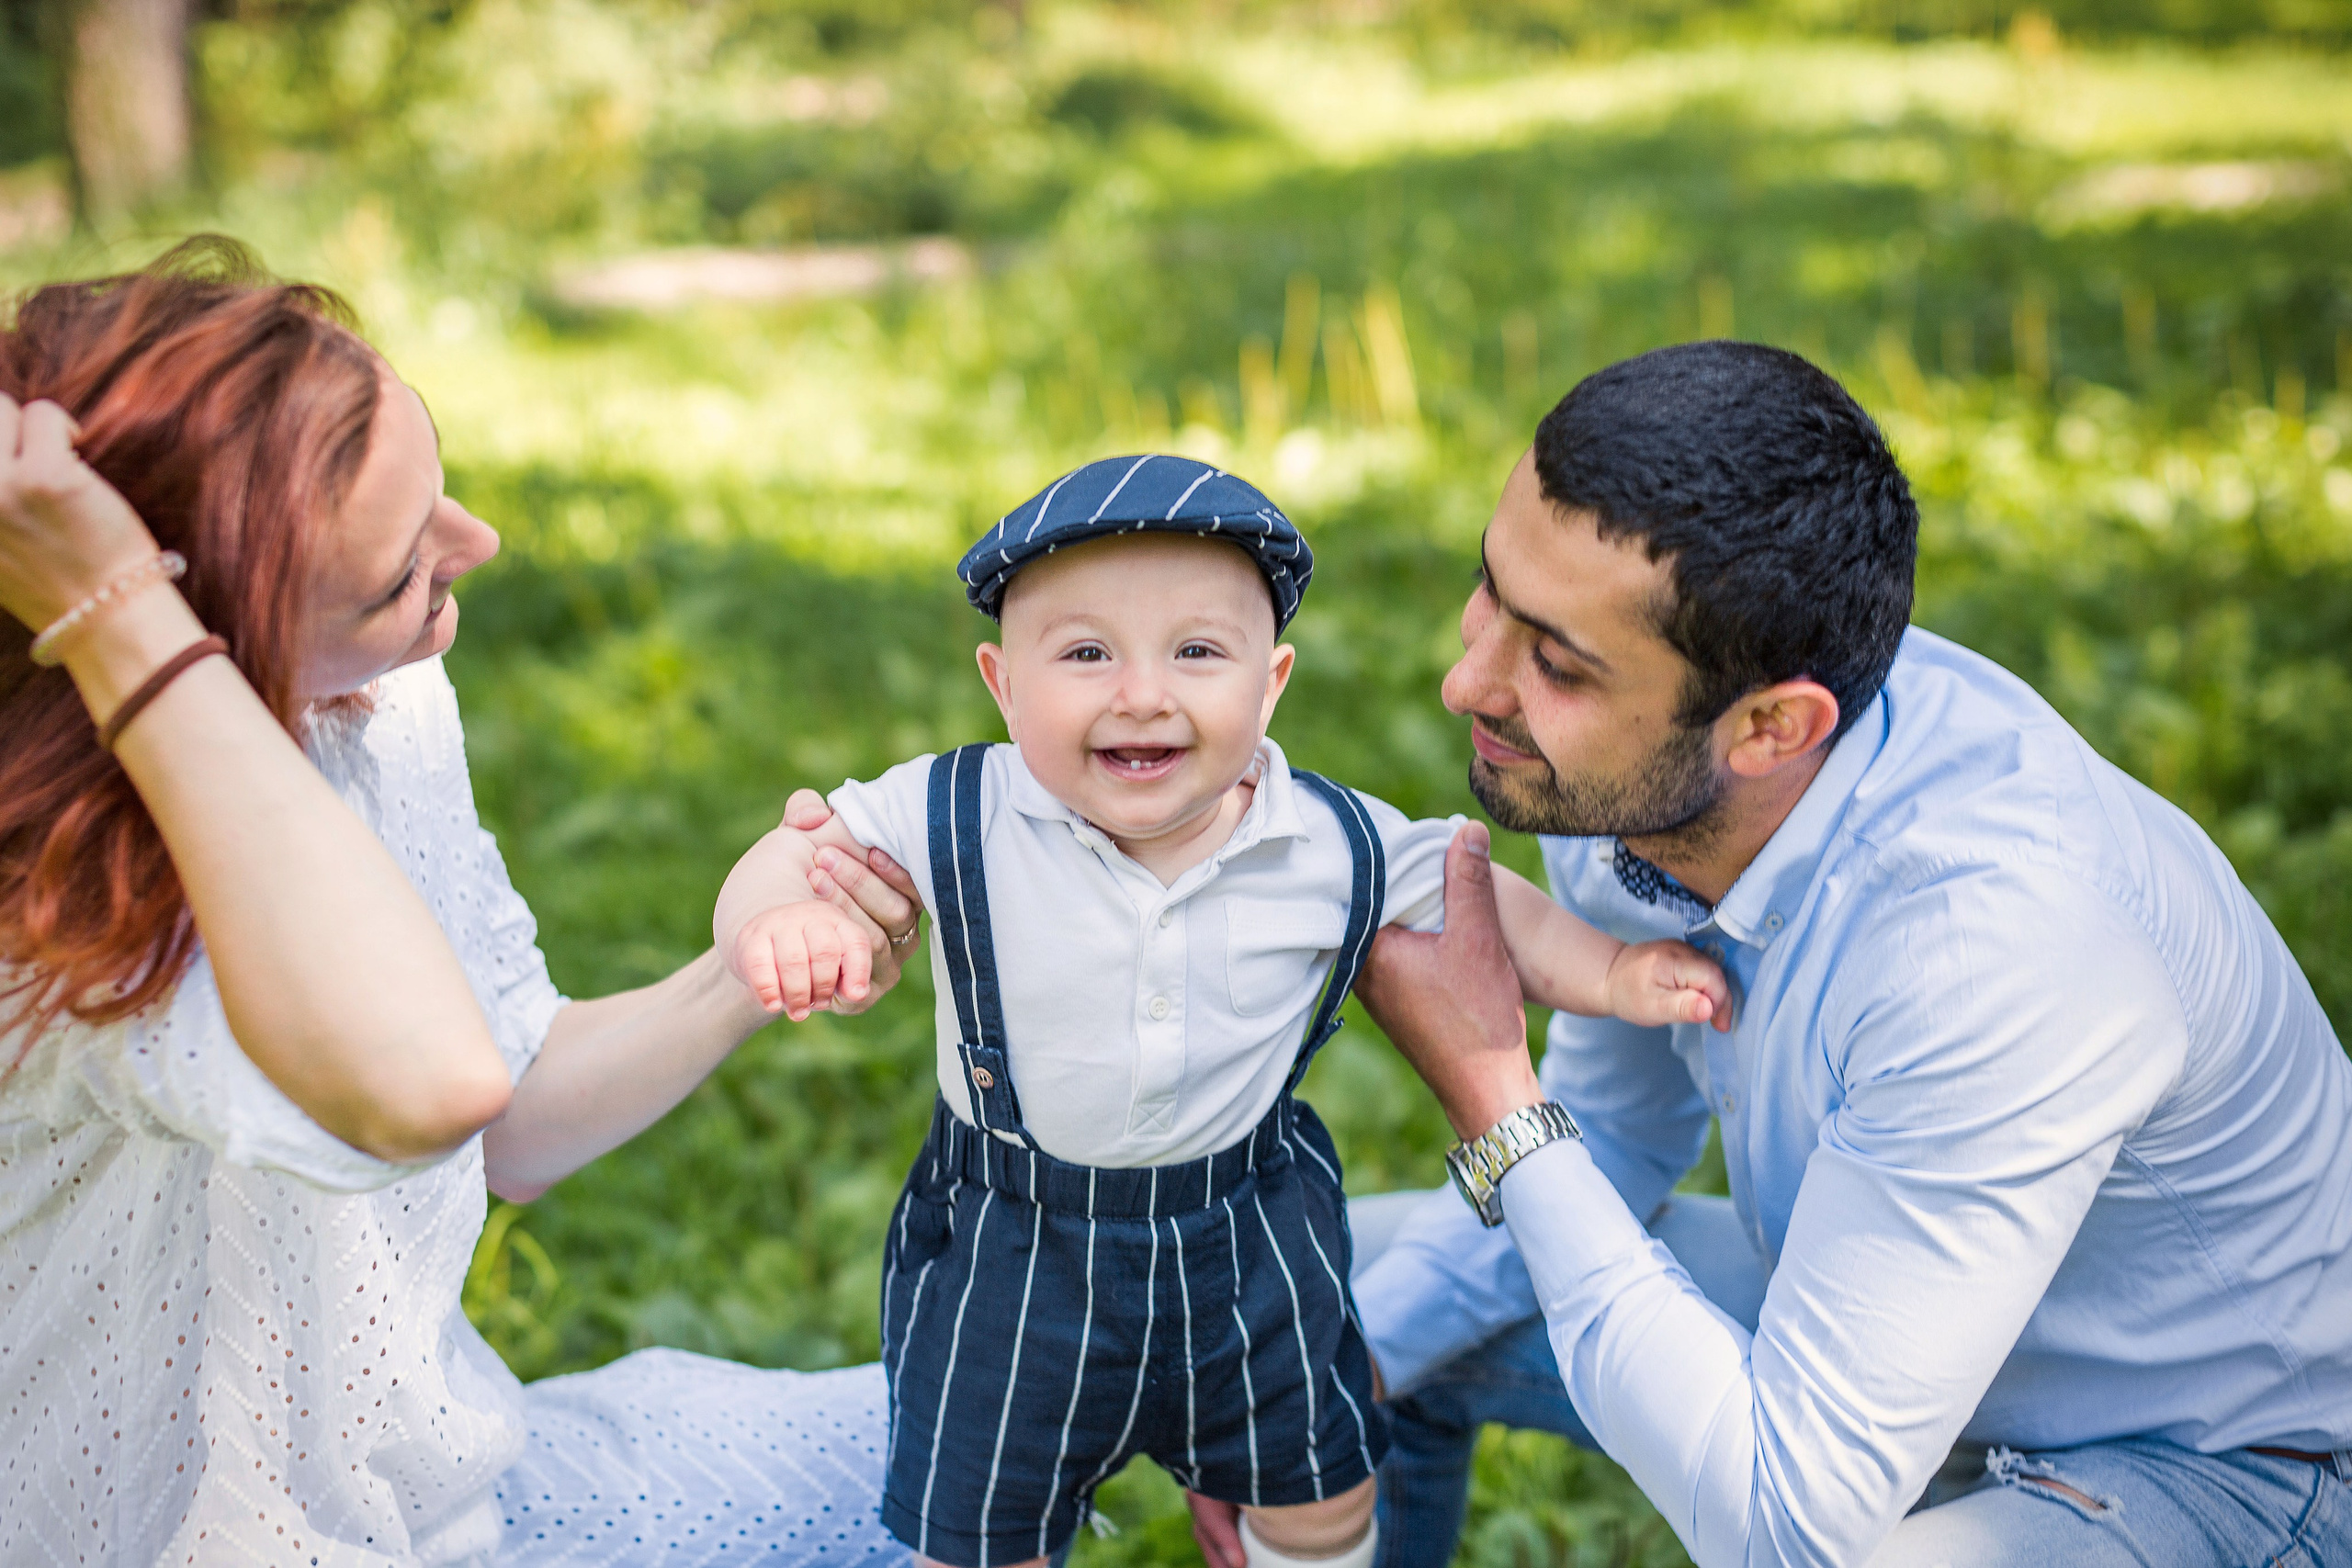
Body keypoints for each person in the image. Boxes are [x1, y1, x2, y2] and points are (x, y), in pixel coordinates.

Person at [1216, 340, 2352, 1567]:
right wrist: (1337, 1386)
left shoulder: (1999, 944)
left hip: (2217, 1467)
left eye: (1554, 662)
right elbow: (1623, 1130)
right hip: (1883, 1327)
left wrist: (1492, 1087)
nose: (1465, 679)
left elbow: (1783, 1525)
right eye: (1491, 590)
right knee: (1318, 1308)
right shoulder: (1636, 780)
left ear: (1770, 726)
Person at [0, 242, 930, 1565]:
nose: (476, 546)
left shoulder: (367, 705)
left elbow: (508, 1114)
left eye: (436, 489)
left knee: (1002, 1439)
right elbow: (427, 1081)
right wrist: (114, 612)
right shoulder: (61, 903)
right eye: (393, 576)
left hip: (442, 1507)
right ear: (208, 637)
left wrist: (750, 966)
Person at [711, 455, 1732, 1568]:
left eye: (1197, 653)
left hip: (1247, 1233)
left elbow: (1484, 906)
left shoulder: (1325, 837)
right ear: (1003, 686)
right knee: (979, 1531)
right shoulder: (953, 807)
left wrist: (1611, 973)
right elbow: (799, 850)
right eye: (1086, 653)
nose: (1142, 693)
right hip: (1014, 1246)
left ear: (1272, 682)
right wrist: (777, 920)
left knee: (1323, 1494)